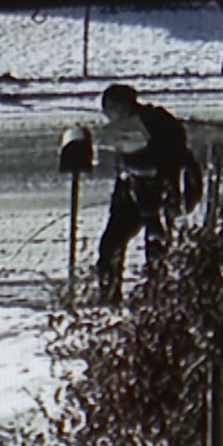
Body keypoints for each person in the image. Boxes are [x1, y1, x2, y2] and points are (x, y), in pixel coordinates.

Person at [94, 84, 201, 303]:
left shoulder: (158, 122)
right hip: (129, 193)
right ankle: (109, 296)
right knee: (111, 245)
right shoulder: (122, 128)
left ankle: (156, 300)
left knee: (156, 249)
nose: (108, 116)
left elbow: (175, 158)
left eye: (110, 109)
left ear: (122, 105)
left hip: (158, 193)